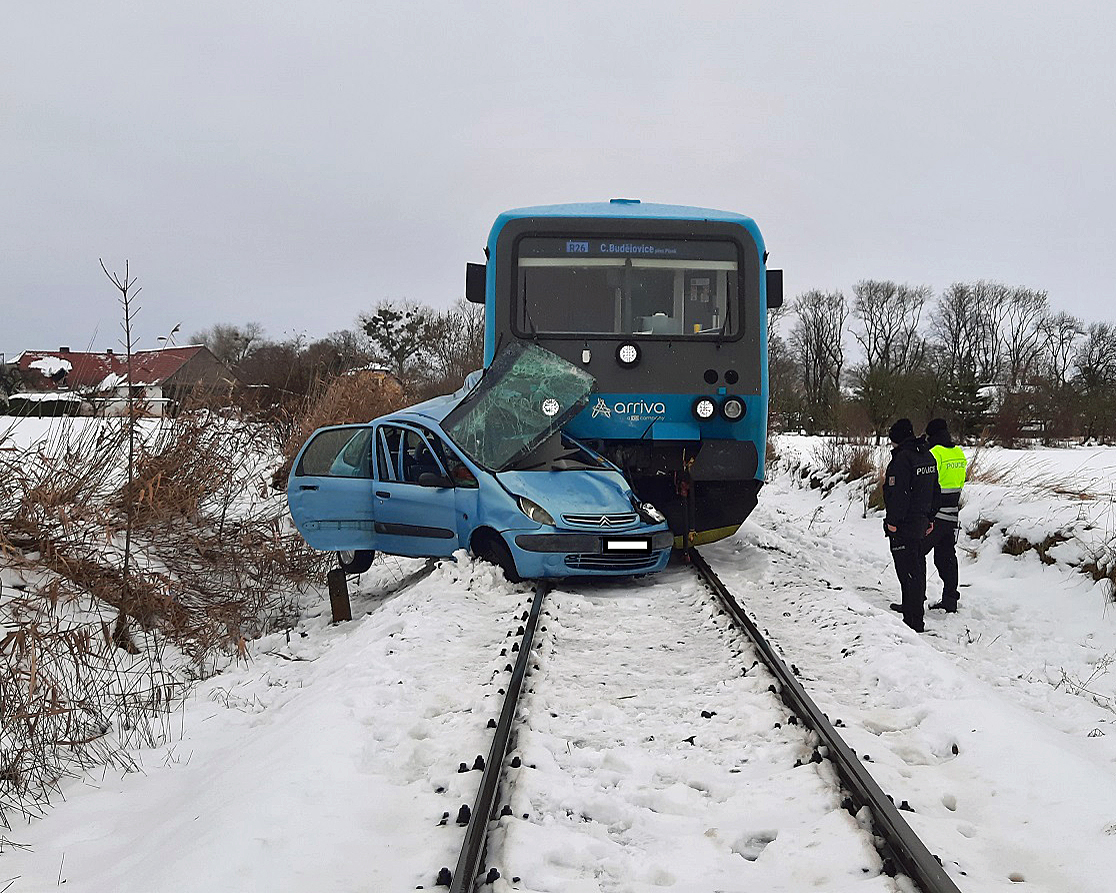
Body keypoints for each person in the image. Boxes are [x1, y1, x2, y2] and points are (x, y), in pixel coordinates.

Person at [882, 418, 939, 632]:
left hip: (905, 525)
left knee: (907, 572)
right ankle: (913, 611)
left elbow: (898, 495)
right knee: (917, 567)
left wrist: (893, 523)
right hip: (921, 522)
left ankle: (913, 621)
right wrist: (930, 518)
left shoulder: (902, 460)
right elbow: (936, 491)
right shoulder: (926, 455)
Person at [923, 418, 967, 612]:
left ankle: (914, 598)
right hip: (953, 514)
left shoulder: (934, 454)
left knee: (916, 553)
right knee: (947, 557)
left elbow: (927, 485)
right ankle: (950, 598)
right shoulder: (959, 453)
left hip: (935, 515)